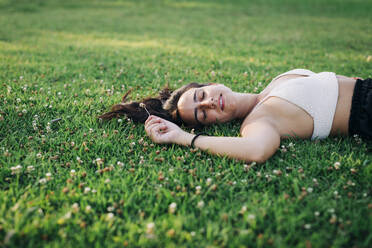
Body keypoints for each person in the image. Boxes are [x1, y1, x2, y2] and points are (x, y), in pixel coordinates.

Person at [99, 69, 371, 162]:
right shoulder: (258, 121)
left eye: (200, 96)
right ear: (216, 123)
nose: (209, 104)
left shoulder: (274, 84)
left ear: (209, 84)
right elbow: (257, 150)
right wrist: (183, 137)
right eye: (203, 116)